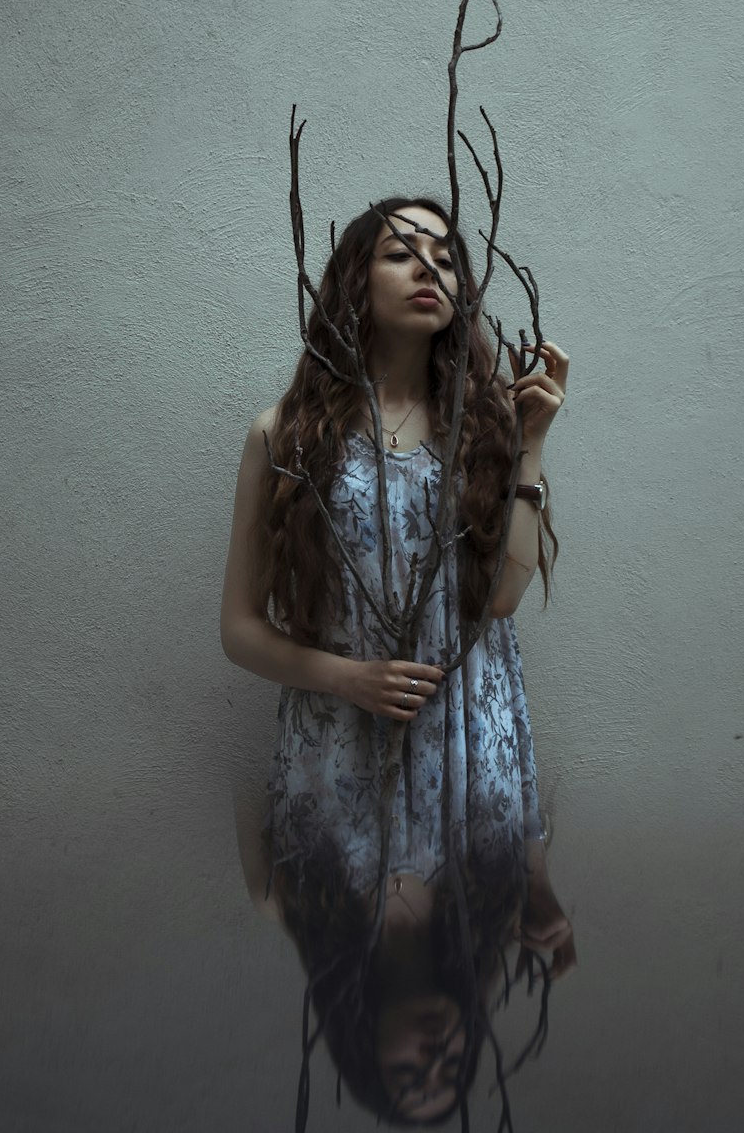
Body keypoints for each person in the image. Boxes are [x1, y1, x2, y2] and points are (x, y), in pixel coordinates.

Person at [222, 197, 576, 1125]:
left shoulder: (485, 430)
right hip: (340, 761)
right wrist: (349, 677)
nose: (430, 268)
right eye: (399, 252)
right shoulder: (286, 437)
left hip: (473, 752)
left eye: (446, 257)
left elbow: (498, 601)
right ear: (352, 280)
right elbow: (237, 629)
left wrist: (532, 439)